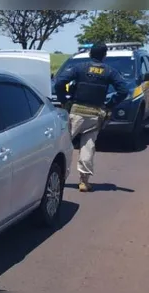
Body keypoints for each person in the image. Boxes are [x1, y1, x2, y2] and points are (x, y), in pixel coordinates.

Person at [54, 43, 129, 192]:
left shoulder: (79, 68)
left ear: (90, 54)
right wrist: (110, 104)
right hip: (95, 116)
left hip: (76, 113)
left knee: (62, 145)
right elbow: (124, 90)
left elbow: (59, 82)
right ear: (104, 56)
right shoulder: (110, 71)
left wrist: (64, 100)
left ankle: (56, 176)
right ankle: (84, 181)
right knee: (88, 147)